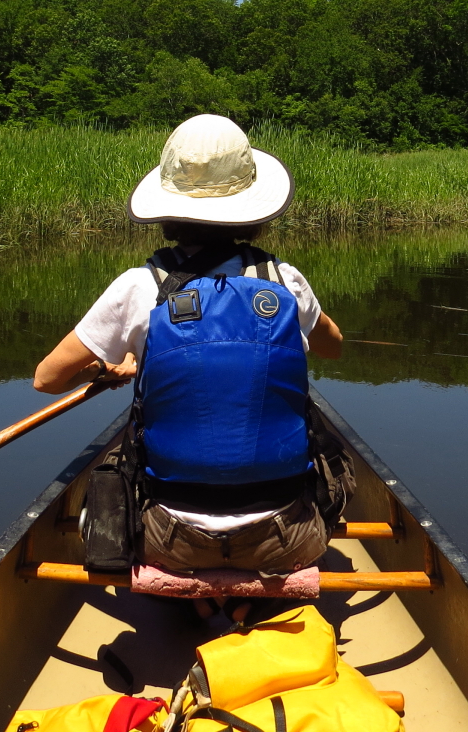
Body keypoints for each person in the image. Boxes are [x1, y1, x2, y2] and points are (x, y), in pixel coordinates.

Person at [34, 114, 346, 619]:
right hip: (287, 538)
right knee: (336, 464)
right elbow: (332, 346)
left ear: (168, 211)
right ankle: (247, 603)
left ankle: (197, 604)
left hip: (169, 541)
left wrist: (109, 370)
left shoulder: (138, 287)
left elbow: (47, 379)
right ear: (252, 209)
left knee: (105, 490)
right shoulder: (284, 281)